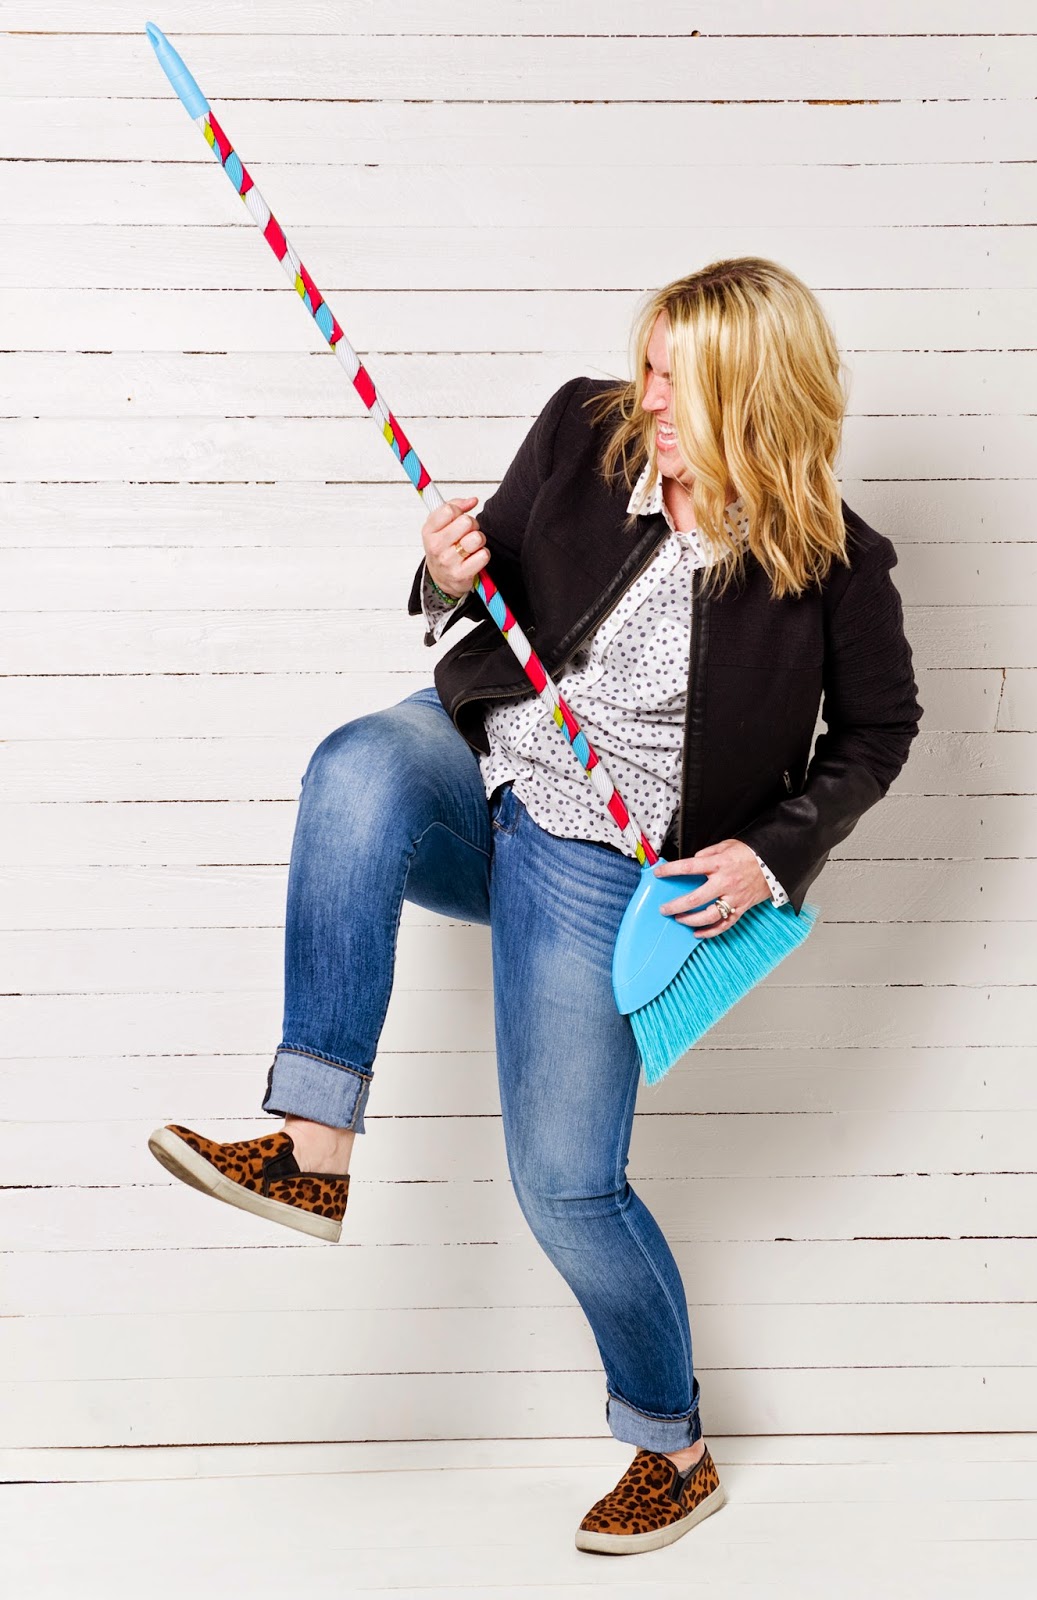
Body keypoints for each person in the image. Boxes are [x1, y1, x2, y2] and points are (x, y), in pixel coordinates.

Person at [148, 256, 922, 1556]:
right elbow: (486, 580)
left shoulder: (837, 563)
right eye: (650, 364)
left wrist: (768, 853)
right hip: (482, 758)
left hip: (603, 858)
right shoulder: (583, 427)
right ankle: (312, 1149)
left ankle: (671, 1451)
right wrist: (446, 572)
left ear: (753, 392)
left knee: (566, 1185)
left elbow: (877, 736)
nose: (649, 396)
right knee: (354, 769)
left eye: (679, 380)